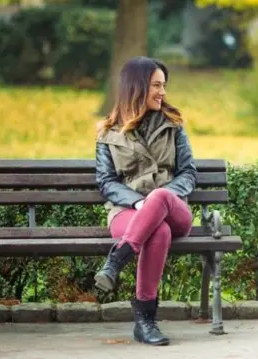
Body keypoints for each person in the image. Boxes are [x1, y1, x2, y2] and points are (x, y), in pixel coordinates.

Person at [93, 56, 197, 346]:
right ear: (136, 87)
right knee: (158, 230)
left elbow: (188, 173)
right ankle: (145, 322)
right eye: (156, 85)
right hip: (127, 213)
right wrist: (139, 203)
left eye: (164, 85)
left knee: (161, 196)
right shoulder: (108, 133)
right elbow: (107, 182)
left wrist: (158, 199)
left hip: (174, 209)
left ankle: (118, 258)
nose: (163, 92)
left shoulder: (173, 125)